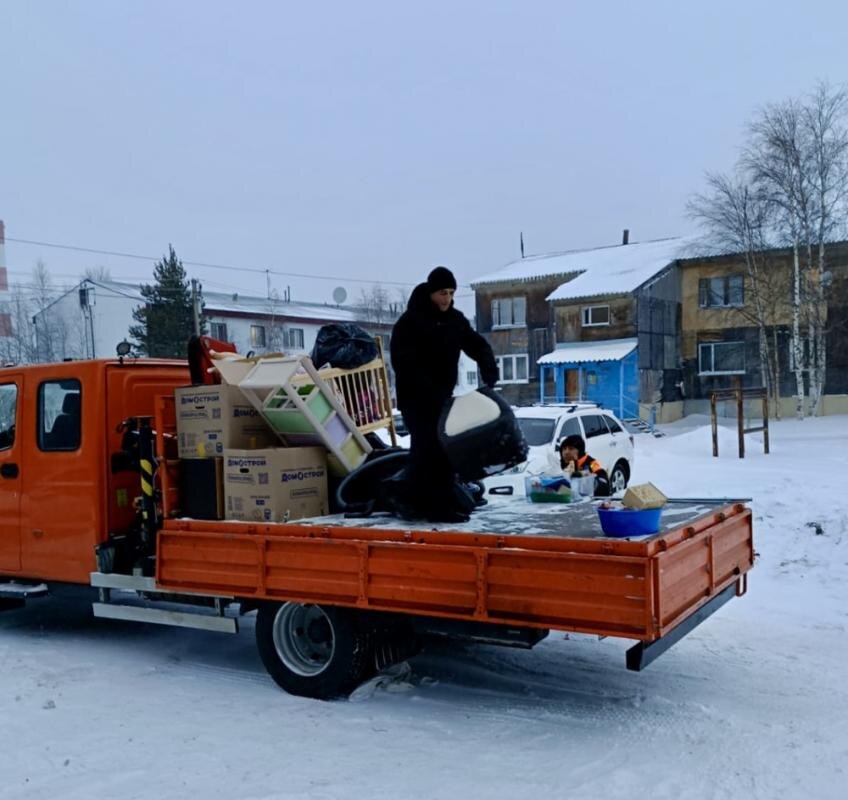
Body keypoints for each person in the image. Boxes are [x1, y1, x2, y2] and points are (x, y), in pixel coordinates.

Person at [390, 266, 499, 522]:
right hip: (415, 399)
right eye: (442, 293)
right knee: (429, 449)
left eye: (451, 293)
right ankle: (433, 507)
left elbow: (477, 344)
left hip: (441, 397)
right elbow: (403, 363)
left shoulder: (455, 320)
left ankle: (420, 502)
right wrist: (426, 388)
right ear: (431, 292)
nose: (447, 299)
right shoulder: (410, 322)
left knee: (440, 450)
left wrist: (489, 368)